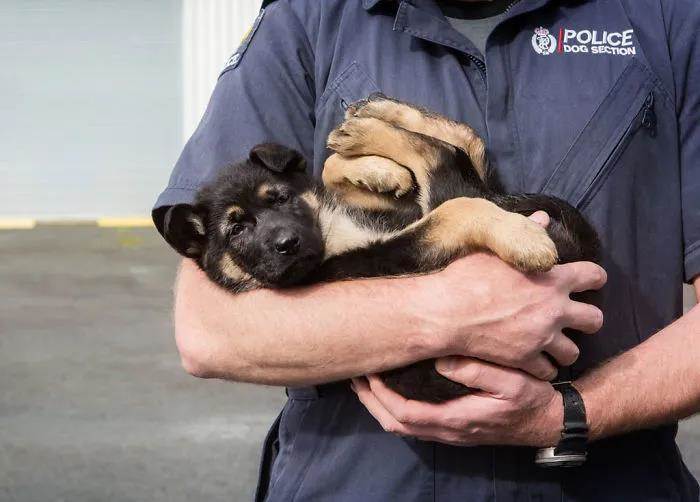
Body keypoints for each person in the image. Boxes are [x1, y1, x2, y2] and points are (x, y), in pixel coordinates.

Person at [152, 0, 700, 500]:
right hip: (360, 483)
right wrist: (448, 313)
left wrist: (571, 413)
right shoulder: (308, 21)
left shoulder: (669, 18)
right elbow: (210, 332)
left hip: (609, 478)